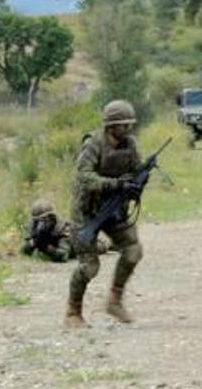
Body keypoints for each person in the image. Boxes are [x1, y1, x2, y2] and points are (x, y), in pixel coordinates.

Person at [65, 100, 145, 328]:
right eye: (123, 125)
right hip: (87, 211)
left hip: (115, 208)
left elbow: (135, 171)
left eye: (130, 125)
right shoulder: (93, 144)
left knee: (133, 250)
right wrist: (115, 184)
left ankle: (114, 301)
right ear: (111, 126)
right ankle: (73, 311)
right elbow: (84, 177)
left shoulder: (130, 145)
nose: (128, 130)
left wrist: (136, 184)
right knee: (89, 267)